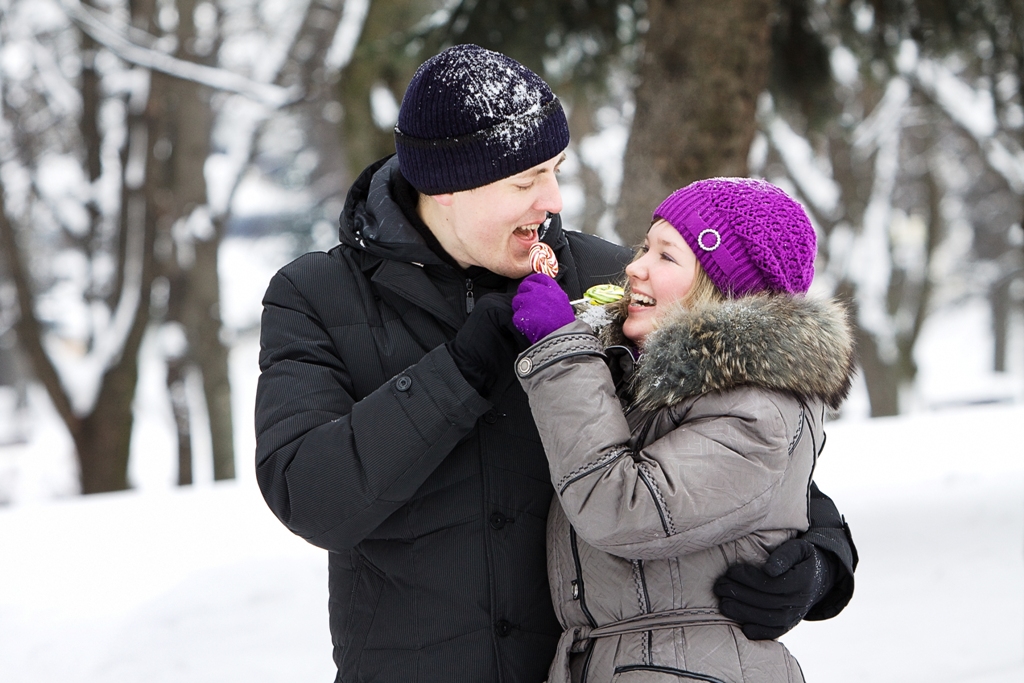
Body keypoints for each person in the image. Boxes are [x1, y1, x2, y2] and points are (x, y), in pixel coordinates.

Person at [255, 44, 856, 683]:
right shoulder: (317, 296)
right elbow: (310, 497)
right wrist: (458, 371)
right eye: (526, 181)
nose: (554, 199)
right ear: (445, 186)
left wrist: (823, 557)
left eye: (555, 170)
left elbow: (735, 446)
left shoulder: (606, 283)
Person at [508, 177, 858, 682]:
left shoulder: (756, 410)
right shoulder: (653, 381)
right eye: (644, 247)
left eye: (666, 256)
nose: (633, 267)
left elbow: (621, 505)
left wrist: (561, 354)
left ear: (723, 292)